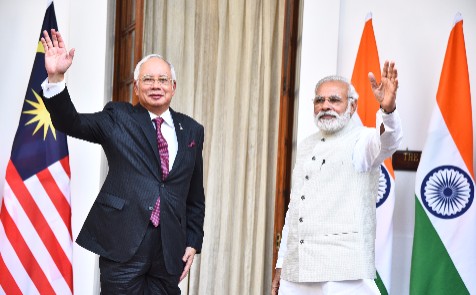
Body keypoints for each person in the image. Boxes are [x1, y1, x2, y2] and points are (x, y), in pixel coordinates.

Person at [40, 29, 205, 294]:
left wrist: (193, 241)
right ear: (136, 87)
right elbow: (71, 122)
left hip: (169, 248)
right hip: (123, 243)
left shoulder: (192, 131)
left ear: (173, 87)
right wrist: (56, 77)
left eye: (163, 79)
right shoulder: (118, 117)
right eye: (147, 79)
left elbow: (195, 196)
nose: (156, 85)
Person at [271, 61, 403, 295]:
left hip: (342, 270)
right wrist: (282, 263)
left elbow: (388, 142)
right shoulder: (306, 145)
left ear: (352, 107)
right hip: (298, 268)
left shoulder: (363, 140)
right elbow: (295, 208)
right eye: (319, 100)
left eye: (334, 100)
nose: (325, 106)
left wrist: (388, 111)